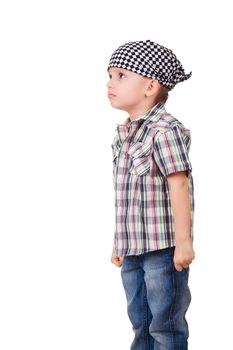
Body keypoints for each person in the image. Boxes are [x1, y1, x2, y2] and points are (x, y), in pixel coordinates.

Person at [106, 40, 195, 350]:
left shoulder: (165, 130)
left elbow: (179, 185)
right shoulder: (125, 135)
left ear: (150, 86)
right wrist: (121, 241)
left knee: (165, 325)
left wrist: (183, 242)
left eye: (120, 75)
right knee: (140, 322)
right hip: (133, 249)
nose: (110, 83)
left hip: (163, 249)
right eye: (109, 75)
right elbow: (127, 196)